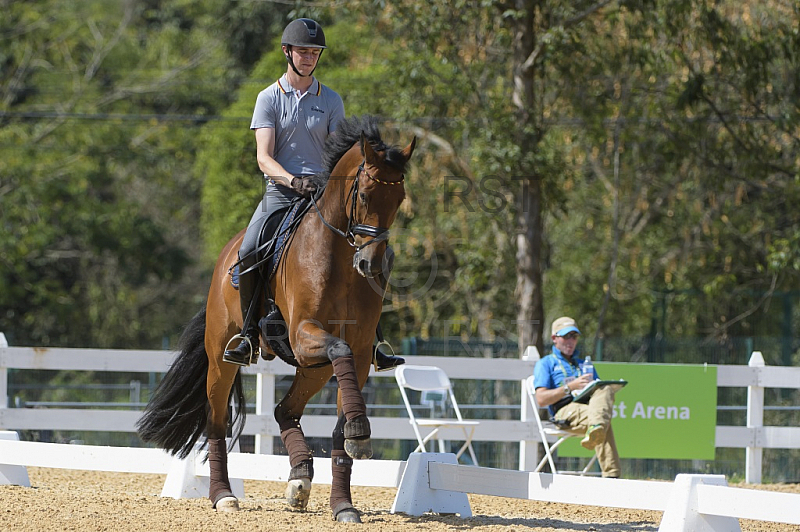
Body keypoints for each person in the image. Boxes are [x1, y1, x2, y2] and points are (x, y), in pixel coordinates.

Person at [223, 18, 404, 373]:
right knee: (247, 250)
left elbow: (338, 152)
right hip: (281, 192)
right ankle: (246, 335)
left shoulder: (331, 99)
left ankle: (374, 339)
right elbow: (263, 157)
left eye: (314, 52)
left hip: (323, 194)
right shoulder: (268, 98)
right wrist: (292, 181)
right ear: (287, 52)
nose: (308, 58)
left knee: (378, 251)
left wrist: (324, 183)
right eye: (303, 51)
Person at [532, 316, 621, 478]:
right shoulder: (546, 363)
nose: (571, 341)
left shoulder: (583, 364)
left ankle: (596, 429)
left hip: (588, 408)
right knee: (601, 420)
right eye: (566, 336)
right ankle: (612, 477)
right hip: (564, 412)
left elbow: (598, 392)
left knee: (605, 390)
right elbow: (541, 399)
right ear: (554, 338)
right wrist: (570, 387)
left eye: (574, 336)